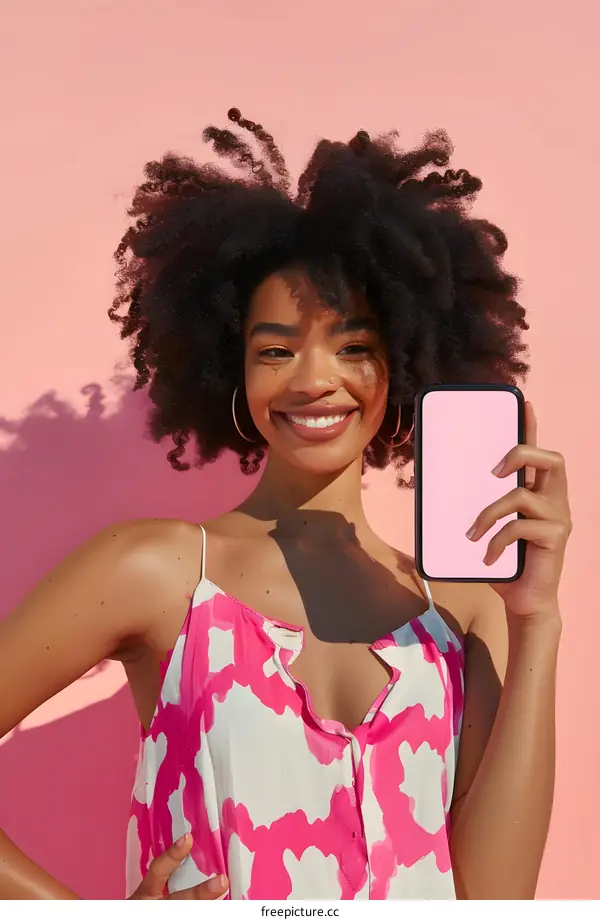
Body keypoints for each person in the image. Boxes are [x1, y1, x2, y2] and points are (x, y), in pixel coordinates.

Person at [0, 108, 571, 901]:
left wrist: (537, 617)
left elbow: (499, 900)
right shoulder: (159, 570)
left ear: (406, 364)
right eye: (275, 349)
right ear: (229, 366)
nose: (311, 379)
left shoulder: (464, 609)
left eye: (354, 347)